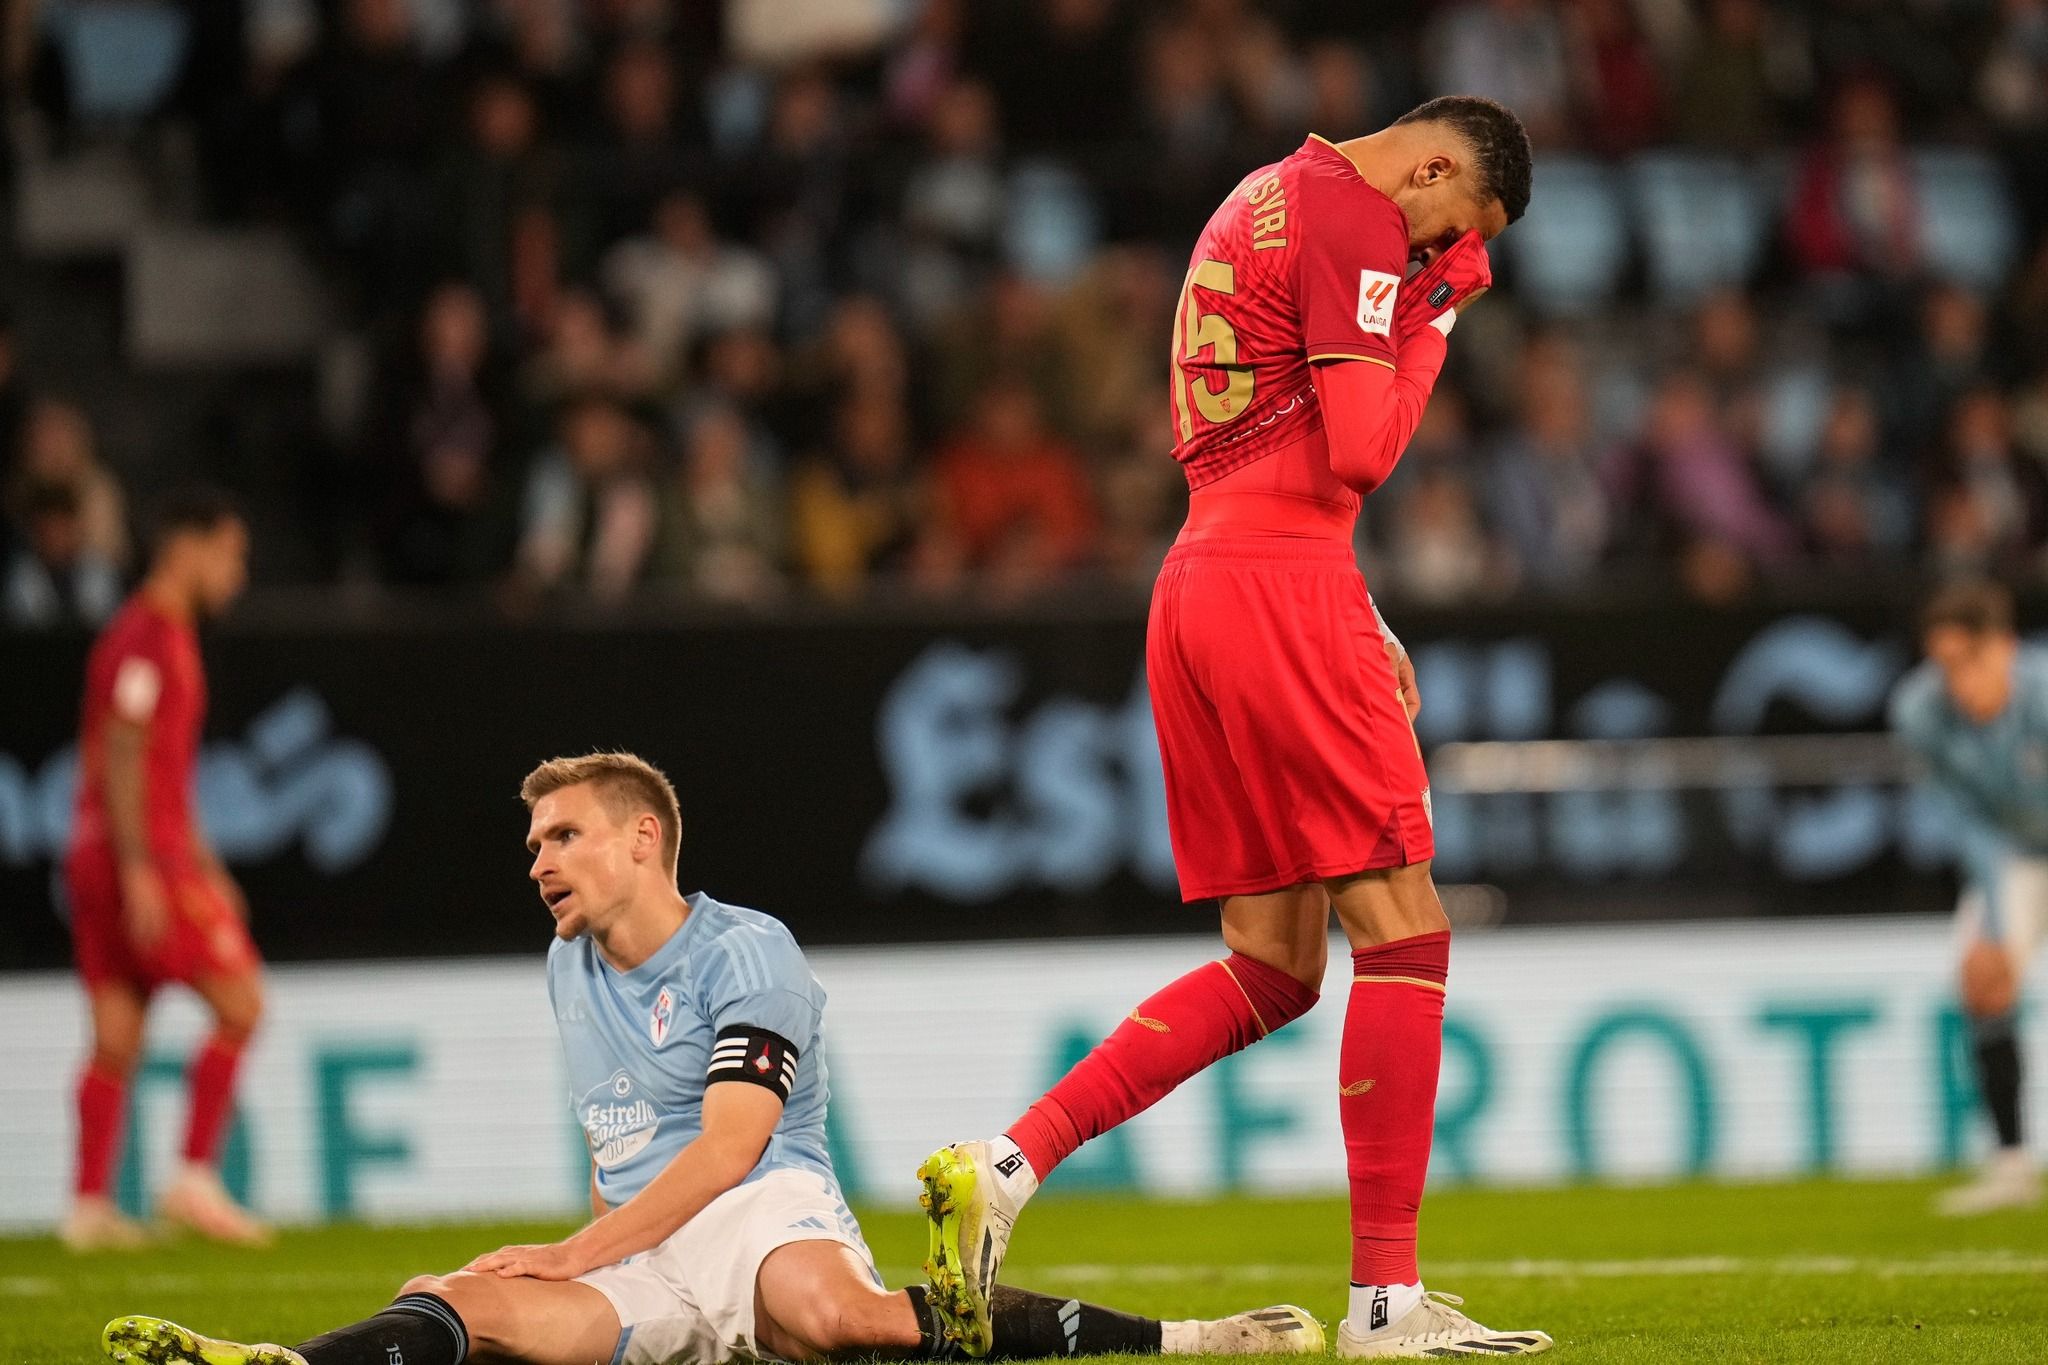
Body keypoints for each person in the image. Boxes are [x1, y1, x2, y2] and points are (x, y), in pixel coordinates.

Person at [920, 97, 1553, 1358]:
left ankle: (1007, 1164)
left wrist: (1350, 594)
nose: (1434, 245)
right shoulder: (1353, 216)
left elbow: (1274, 441)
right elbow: (1365, 448)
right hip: (1276, 586)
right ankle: (1383, 1300)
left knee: (1272, 965)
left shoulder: (1258, 195)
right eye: (1448, 220)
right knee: (1406, 937)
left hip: (1206, 579)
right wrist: (1433, 314)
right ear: (1428, 164)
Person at [103, 752, 1325, 1365]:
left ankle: (1182, 1342)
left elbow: (731, 1145)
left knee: (831, 1314)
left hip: (759, 1205)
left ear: (644, 841)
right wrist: (574, 1268)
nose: (539, 859)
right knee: (474, 1303)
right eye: (534, 841)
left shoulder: (750, 954)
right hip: (645, 1240)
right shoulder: (563, 968)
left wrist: (578, 1251)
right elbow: (615, 1148)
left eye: (564, 835)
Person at [61, 489, 265, 1250]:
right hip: (135, 857)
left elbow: (161, 771)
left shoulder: (150, 633)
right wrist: (145, 869)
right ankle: (193, 1177)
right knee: (242, 1004)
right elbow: (122, 748)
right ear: (189, 546)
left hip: (104, 854)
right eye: (232, 554)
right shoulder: (150, 635)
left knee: (116, 1032)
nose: (236, 574)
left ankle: (87, 1206)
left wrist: (205, 861)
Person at [1891, 580, 2047, 1216]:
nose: (1957, 682)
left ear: (2005, 648)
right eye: (1943, 665)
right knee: (1982, 979)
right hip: (2013, 855)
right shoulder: (1918, 711)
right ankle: (2011, 1164)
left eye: (1969, 662)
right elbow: (1968, 825)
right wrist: (1994, 926)